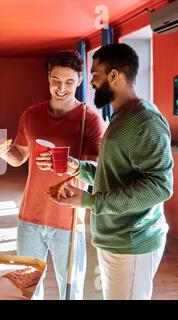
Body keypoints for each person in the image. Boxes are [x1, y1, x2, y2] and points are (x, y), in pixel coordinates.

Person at [50, 43, 173, 300]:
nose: (92, 82)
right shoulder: (120, 116)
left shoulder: (145, 121)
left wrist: (89, 201)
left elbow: (160, 186)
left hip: (132, 240)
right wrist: (80, 168)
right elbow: (116, 174)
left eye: (95, 74)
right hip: (114, 238)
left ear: (114, 75)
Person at [0, 50, 106, 299]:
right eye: (56, 80)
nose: (61, 87)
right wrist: (2, 152)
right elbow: (19, 157)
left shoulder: (90, 121)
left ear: (79, 80)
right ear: (48, 78)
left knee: (70, 289)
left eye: (68, 81)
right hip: (29, 217)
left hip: (68, 218)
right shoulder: (31, 114)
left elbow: (96, 174)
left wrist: (69, 164)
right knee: (28, 288)